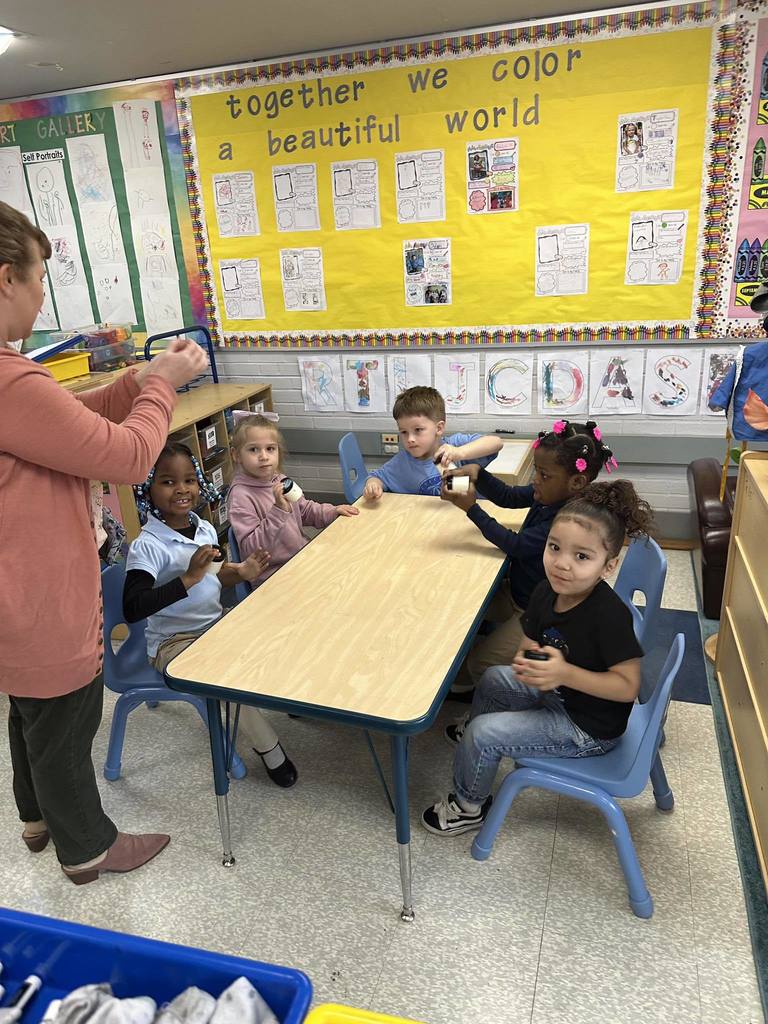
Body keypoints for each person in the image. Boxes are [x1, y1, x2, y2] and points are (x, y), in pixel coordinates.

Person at [0, 200, 208, 883]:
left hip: (12, 593)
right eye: (37, 281)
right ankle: (86, 845)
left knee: (29, 709)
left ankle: (35, 818)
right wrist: (165, 389)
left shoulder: (14, 385)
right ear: (7, 280)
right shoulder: (10, 378)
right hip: (38, 588)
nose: (39, 297)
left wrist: (136, 384)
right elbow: (124, 459)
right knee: (65, 717)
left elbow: (62, 424)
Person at [422, 479, 652, 836]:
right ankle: (477, 745)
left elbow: (628, 687)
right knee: (495, 677)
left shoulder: (609, 616)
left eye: (581, 557)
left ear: (608, 565)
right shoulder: (549, 590)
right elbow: (530, 640)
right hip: (559, 698)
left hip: (587, 728)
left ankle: (468, 806)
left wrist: (563, 673)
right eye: (554, 547)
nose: (562, 564)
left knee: (485, 733)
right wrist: (527, 660)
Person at [123, 443, 297, 788]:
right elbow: (133, 607)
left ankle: (291, 697)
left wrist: (241, 571)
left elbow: (214, 575)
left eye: (189, 480)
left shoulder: (201, 526)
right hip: (173, 642)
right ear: (148, 489)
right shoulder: (148, 545)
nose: (182, 489)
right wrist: (187, 578)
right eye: (168, 482)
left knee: (279, 633)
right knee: (226, 678)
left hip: (213, 625)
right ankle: (271, 750)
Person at [441, 419, 616, 698]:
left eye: (544, 475)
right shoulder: (546, 495)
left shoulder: (569, 521)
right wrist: (479, 473)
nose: (535, 480)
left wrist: (470, 508)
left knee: (480, 662)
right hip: (521, 592)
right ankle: (466, 671)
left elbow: (517, 545)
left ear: (577, 481)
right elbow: (509, 496)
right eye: (537, 471)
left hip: (538, 611)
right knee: (462, 607)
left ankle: (482, 698)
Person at [228, 414, 359, 589]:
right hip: (273, 577)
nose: (263, 456)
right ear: (236, 455)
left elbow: (304, 510)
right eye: (253, 450)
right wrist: (278, 511)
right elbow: (251, 550)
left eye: (270, 449)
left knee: (350, 570)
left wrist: (333, 512)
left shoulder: (279, 479)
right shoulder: (240, 496)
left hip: (300, 559)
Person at [362, 386, 502, 500]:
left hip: (469, 518)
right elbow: (376, 477)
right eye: (404, 432)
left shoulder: (454, 445)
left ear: (439, 428)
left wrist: (460, 452)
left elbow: (496, 442)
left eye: (418, 430)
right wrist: (373, 485)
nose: (410, 438)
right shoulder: (401, 462)